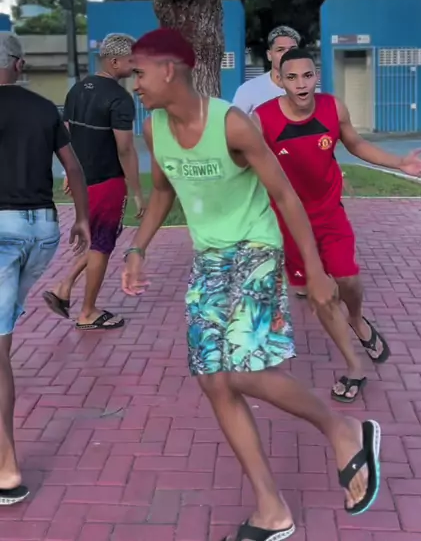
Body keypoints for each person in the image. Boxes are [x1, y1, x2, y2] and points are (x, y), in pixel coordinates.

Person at [122, 28, 382, 541]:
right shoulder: (154, 128)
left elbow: (284, 196)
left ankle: (342, 429)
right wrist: (137, 248)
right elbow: (163, 192)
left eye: (139, 72)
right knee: (213, 380)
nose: (135, 83)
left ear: (169, 70)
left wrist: (316, 271)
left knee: (242, 372)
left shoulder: (232, 124)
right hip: (209, 257)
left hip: (255, 248)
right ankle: (271, 509)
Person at [255, 48, 421, 404]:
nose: (301, 84)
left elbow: (355, 143)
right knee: (321, 296)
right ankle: (354, 366)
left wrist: (399, 163)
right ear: (279, 81)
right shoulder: (261, 119)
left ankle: (357, 319)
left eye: (308, 75)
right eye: (292, 77)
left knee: (348, 279)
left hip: (329, 213)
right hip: (289, 221)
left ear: (316, 77)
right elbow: (245, 164)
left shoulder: (333, 108)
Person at [0, 32, 90, 505]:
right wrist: (83, 219)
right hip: (42, 231)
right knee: (3, 333)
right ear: (18, 65)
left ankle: (6, 468)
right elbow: (73, 168)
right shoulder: (43, 109)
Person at [43, 33, 145, 331]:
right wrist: (137, 192)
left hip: (84, 184)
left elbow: (66, 136)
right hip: (107, 181)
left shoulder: (76, 90)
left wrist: (69, 174)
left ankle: (64, 287)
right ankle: (87, 312)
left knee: (101, 237)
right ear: (114, 61)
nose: (135, 65)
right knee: (102, 245)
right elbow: (125, 149)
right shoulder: (120, 98)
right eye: (131, 60)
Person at [232, 26, 301, 115]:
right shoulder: (249, 90)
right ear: (269, 55)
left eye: (293, 49)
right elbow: (233, 121)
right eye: (280, 50)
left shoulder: (308, 89)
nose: (287, 54)